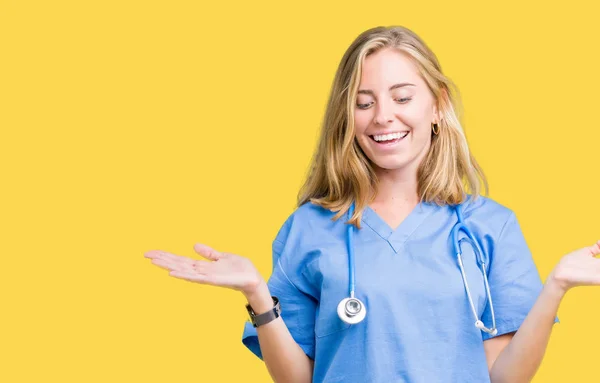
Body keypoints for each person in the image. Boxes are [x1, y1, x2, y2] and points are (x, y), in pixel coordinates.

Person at [144, 25, 600, 383]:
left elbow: (503, 377)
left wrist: (557, 285)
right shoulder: (308, 228)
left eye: (402, 97)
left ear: (437, 104)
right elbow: (300, 379)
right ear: (348, 116)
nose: (383, 116)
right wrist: (256, 295)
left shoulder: (489, 226)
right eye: (364, 102)